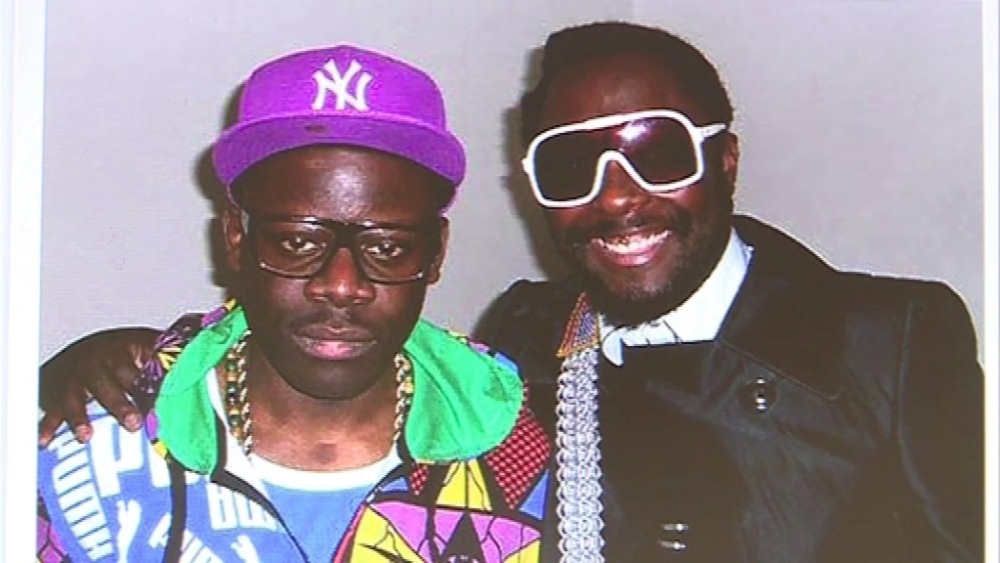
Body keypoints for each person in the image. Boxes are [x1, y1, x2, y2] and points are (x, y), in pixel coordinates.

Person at [39, 21, 983, 562]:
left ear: (725, 160)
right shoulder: (525, 344)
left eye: (657, 150)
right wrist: (110, 358)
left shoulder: (894, 337)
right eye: (573, 164)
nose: (619, 195)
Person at [36, 44, 553, 562]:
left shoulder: (535, 450)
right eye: (298, 241)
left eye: (387, 248)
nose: (342, 286)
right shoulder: (91, 454)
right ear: (235, 238)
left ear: (436, 252)